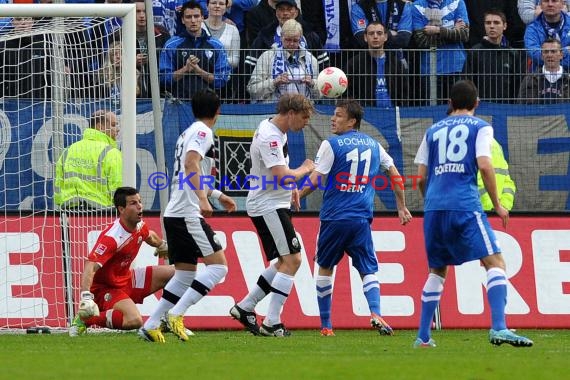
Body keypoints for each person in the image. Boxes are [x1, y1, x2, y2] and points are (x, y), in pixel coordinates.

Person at [413, 79, 533, 348]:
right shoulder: (481, 127)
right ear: (476, 104)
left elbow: (420, 178)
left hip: (434, 208)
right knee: (495, 262)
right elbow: (485, 166)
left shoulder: (432, 131)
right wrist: (498, 204)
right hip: (465, 205)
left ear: (449, 104)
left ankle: (423, 336)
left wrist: (431, 201)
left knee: (437, 270)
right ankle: (499, 327)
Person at [298, 99, 412, 337]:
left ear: (352, 121)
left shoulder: (331, 144)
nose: (333, 119)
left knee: (326, 268)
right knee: (367, 269)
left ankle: (327, 325)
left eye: (338, 115)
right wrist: (401, 206)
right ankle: (376, 312)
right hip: (361, 219)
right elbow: (395, 174)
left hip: (334, 219)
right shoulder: (374, 145)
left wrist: (298, 194)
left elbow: (317, 179)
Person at [139, 89, 237, 343]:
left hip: (175, 212)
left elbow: (193, 172)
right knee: (218, 268)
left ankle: (150, 324)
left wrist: (216, 194)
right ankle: (177, 314)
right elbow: (191, 165)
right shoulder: (203, 133)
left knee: (184, 274)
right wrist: (204, 200)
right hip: (187, 214)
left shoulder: (189, 132)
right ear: (218, 111)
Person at [229, 93, 315, 337]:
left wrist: (292, 189)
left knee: (283, 262)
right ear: (290, 113)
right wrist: (306, 169)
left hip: (274, 202)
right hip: (267, 205)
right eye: (304, 117)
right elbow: (282, 175)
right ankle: (272, 322)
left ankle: (245, 307)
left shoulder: (276, 129)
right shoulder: (270, 137)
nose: (306, 122)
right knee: (294, 260)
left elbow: (279, 175)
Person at [69, 187, 173, 336]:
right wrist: (86, 296)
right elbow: (90, 265)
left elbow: (149, 235)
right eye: (133, 203)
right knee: (134, 320)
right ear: (121, 209)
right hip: (106, 288)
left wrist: (162, 245)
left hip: (128, 279)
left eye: (140, 202)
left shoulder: (140, 225)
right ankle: (86, 319)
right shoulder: (112, 238)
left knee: (178, 274)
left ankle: (167, 321)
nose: (139, 206)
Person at [159, 0, 231, 100]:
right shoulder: (171, 45)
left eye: (196, 16)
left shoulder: (216, 45)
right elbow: (163, 79)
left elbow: (222, 80)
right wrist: (185, 69)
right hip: (178, 102)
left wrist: (198, 71)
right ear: (183, 20)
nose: (193, 20)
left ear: (202, 18)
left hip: (208, 103)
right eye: (188, 17)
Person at [54, 110, 122, 209]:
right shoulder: (112, 153)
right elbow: (118, 188)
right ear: (100, 127)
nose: (118, 129)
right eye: (113, 125)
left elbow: (58, 186)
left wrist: (63, 203)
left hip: (70, 212)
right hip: (102, 214)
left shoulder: (69, 150)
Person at [410, 0, 470, 104]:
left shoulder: (458, 2)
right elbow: (422, 41)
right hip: (430, 70)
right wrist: (452, 31)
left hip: (456, 67)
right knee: (432, 114)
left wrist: (437, 30)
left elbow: (464, 35)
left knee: (458, 111)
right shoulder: (417, 6)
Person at [247, 19, 321, 103]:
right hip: (273, 110)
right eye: (288, 40)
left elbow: (319, 95)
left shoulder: (311, 60)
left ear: (301, 39)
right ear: (281, 37)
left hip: (303, 110)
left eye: (295, 40)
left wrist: (312, 83)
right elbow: (252, 90)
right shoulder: (267, 57)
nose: (292, 44)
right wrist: (274, 82)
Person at [463, 9, 524, 103]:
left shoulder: (512, 53)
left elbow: (517, 83)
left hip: (506, 108)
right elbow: (467, 80)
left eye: (496, 23)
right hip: (481, 107)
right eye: (488, 23)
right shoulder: (475, 52)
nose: (492, 26)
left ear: (504, 26)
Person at [346, 21, 409, 107]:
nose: (375, 36)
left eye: (379, 33)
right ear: (365, 37)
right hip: (365, 115)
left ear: (385, 37)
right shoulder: (354, 64)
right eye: (371, 33)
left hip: (392, 113)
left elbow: (404, 92)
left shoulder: (396, 63)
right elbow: (348, 92)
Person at [135, 0, 170, 98]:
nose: (142, 15)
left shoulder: (163, 33)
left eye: (145, 11)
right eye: (138, 11)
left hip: (159, 87)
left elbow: (170, 59)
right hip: (132, 89)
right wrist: (132, 62)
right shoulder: (120, 35)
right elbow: (111, 62)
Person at [519, 38, 570, 103]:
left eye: (553, 51)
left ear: (561, 55)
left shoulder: (568, 79)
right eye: (546, 52)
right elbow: (521, 106)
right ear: (542, 56)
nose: (549, 55)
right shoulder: (530, 79)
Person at [524, 0, 570, 71]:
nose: (550, 4)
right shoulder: (532, 28)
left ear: (562, 4)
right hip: (539, 77)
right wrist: (565, 51)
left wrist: (547, 55)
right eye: (546, 1)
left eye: (554, 1)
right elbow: (534, 54)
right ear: (540, 5)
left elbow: (540, 55)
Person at [477, 138, 517, 211]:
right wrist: (504, 205)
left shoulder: (471, 144)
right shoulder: (496, 144)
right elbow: (507, 182)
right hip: (498, 211)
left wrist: (493, 206)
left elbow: (477, 180)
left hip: (482, 210)